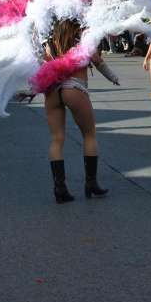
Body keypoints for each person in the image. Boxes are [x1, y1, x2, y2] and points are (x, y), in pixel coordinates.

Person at [44, 20, 110, 204]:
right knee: (89, 135)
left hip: (52, 91)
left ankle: (60, 188)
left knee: (57, 139)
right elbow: (97, 61)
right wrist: (113, 77)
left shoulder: (50, 44)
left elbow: (45, 67)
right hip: (74, 88)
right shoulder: (83, 43)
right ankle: (91, 184)